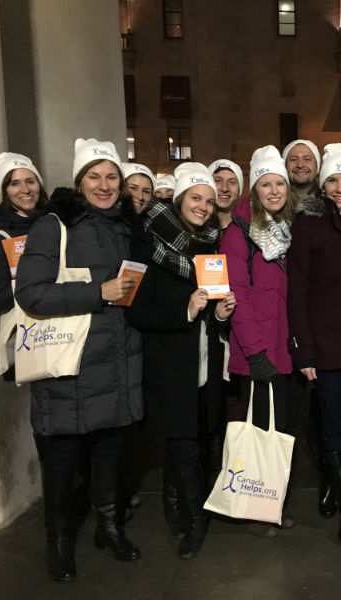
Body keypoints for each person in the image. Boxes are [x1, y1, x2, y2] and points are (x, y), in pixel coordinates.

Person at [14, 138, 143, 581]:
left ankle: (107, 527)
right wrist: (97, 293)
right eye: (94, 176)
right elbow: (30, 292)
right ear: (78, 181)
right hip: (70, 368)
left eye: (112, 177)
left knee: (109, 453)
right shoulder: (54, 226)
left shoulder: (126, 225)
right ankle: (58, 541)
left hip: (118, 361)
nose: (104, 185)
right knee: (63, 461)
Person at [126, 162, 235, 559]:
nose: (204, 206)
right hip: (169, 365)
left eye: (208, 200)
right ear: (177, 198)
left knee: (195, 439)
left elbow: (213, 307)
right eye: (196, 197)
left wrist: (220, 313)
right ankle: (196, 521)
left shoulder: (210, 246)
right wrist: (185, 311)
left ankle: (172, 503)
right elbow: (135, 311)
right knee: (183, 443)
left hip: (206, 362)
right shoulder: (145, 244)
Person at [287, 143, 341, 547]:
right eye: (333, 180)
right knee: (334, 425)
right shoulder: (308, 225)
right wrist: (304, 349)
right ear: (323, 185)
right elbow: (297, 290)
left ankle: (331, 482)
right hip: (326, 342)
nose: (340, 188)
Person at [221, 145, 299, 537]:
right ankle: (251, 509)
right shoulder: (238, 233)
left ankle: (271, 502)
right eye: (265, 184)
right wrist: (255, 353)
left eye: (279, 184)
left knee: (277, 432)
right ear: (254, 189)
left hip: (283, 348)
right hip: (258, 352)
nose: (273, 191)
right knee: (256, 430)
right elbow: (239, 296)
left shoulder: (286, 229)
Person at [0, 152, 48, 316]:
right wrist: (40, 285)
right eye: (15, 184)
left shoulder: (54, 225)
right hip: (27, 330)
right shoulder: (0, 239)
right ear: (5, 191)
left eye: (30, 182)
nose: (26, 190)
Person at [208, 158, 244, 233]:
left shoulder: (249, 230)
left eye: (232, 182)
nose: (224, 188)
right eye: (218, 180)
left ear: (239, 190)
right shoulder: (195, 226)